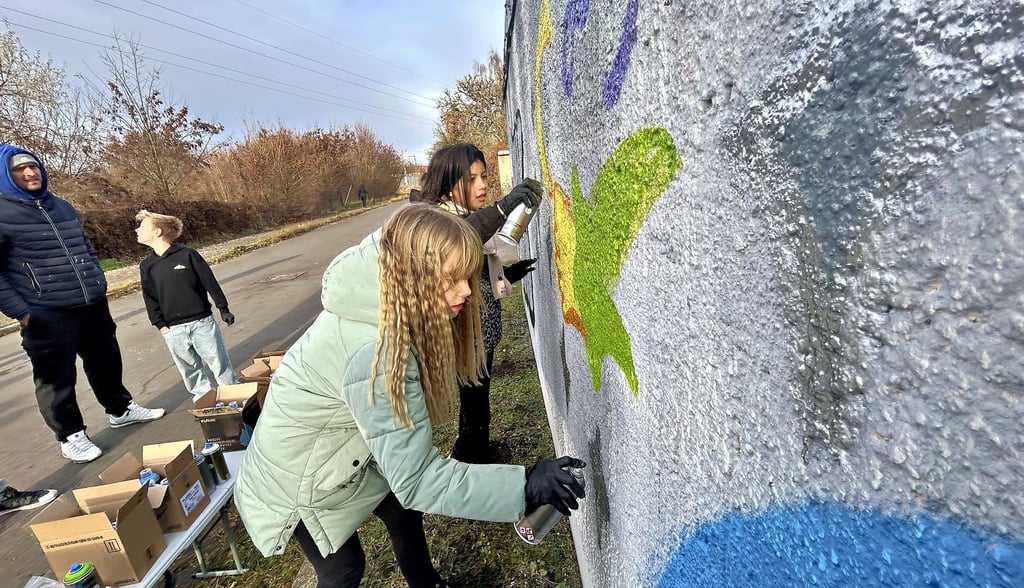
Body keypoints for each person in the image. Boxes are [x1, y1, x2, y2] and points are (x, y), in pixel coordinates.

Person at [234, 204, 584, 588]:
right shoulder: (376, 351)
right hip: (295, 478)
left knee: (402, 510)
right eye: (452, 278)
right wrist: (524, 485)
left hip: (342, 457)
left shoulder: (385, 299)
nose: (466, 290)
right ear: (413, 276)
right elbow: (417, 479)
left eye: (466, 276)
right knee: (343, 568)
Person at [0, 145, 165, 463]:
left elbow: (85, 246)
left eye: (33, 166)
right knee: (55, 377)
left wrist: (97, 282)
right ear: (7, 176)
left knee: (105, 359)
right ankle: (71, 434)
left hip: (90, 302)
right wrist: (21, 312)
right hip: (45, 311)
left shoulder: (61, 206)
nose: (30, 172)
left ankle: (120, 409)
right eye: (20, 169)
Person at [418, 143, 543, 462]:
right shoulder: (435, 221)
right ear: (449, 184)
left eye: (484, 176)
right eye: (471, 179)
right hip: (465, 336)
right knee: (474, 398)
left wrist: (506, 275)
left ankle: (474, 449)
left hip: (480, 333)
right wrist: (503, 209)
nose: (483, 185)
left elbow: (470, 269)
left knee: (477, 396)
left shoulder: (463, 216)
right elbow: (461, 239)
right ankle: (470, 454)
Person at [136, 210, 241, 401]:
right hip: (172, 329)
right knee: (189, 369)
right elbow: (149, 297)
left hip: (201, 323)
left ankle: (233, 395)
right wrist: (160, 325)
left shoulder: (188, 255)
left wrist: (223, 308)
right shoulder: (147, 265)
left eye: (142, 227)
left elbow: (210, 282)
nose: (137, 230)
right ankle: (204, 399)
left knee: (218, 361)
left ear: (158, 232)